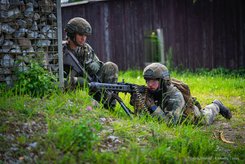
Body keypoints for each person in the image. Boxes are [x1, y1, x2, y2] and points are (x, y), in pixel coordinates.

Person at [130, 63, 232, 125]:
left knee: (205, 118)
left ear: (163, 81)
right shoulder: (154, 90)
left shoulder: (175, 97)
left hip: (191, 116)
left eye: (153, 81)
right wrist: (138, 102)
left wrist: (152, 107)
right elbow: (145, 116)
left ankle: (216, 105)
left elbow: (170, 123)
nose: (149, 84)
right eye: (147, 81)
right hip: (168, 112)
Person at [63, 17, 118, 108]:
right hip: (73, 88)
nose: (83, 38)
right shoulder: (62, 50)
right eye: (80, 35)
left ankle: (109, 105)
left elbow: (98, 63)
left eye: (85, 36)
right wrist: (77, 80)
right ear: (72, 34)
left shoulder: (86, 48)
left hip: (91, 83)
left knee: (111, 66)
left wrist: (96, 65)